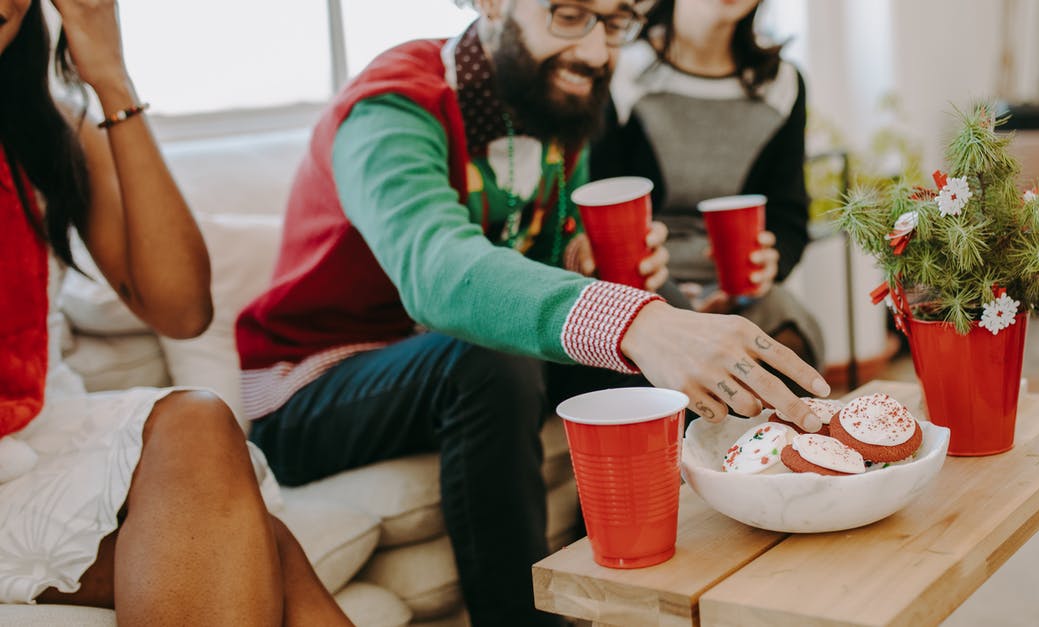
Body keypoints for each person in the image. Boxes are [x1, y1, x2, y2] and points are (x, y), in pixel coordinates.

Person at [236, 0, 830, 624]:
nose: (599, 51)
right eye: (570, 14)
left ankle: (724, 584)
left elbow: (539, 244)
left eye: (616, 20)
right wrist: (631, 320)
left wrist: (597, 267)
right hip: (311, 384)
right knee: (500, 359)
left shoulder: (549, 100)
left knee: (660, 319)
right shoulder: (392, 106)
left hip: (450, 354)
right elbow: (439, 271)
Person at [0, 1, 350, 625]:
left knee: (197, 423)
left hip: (35, 434)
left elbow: (182, 309)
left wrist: (110, 78)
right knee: (266, 548)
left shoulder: (43, 125)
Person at [591, 0, 825, 369]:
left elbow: (788, 215)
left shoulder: (781, 84)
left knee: (789, 349)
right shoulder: (621, 70)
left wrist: (768, 261)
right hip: (644, 285)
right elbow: (598, 205)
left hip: (740, 293)